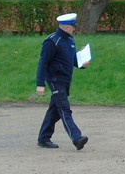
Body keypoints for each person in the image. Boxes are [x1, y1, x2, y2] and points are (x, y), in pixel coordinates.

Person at [36, 12, 89, 150]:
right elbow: (43, 63)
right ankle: (76, 138)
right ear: (66, 27)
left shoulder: (70, 40)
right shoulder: (52, 41)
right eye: (73, 26)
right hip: (55, 79)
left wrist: (82, 64)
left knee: (55, 110)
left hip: (65, 80)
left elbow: (72, 61)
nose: (74, 28)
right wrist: (40, 84)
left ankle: (43, 138)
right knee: (64, 108)